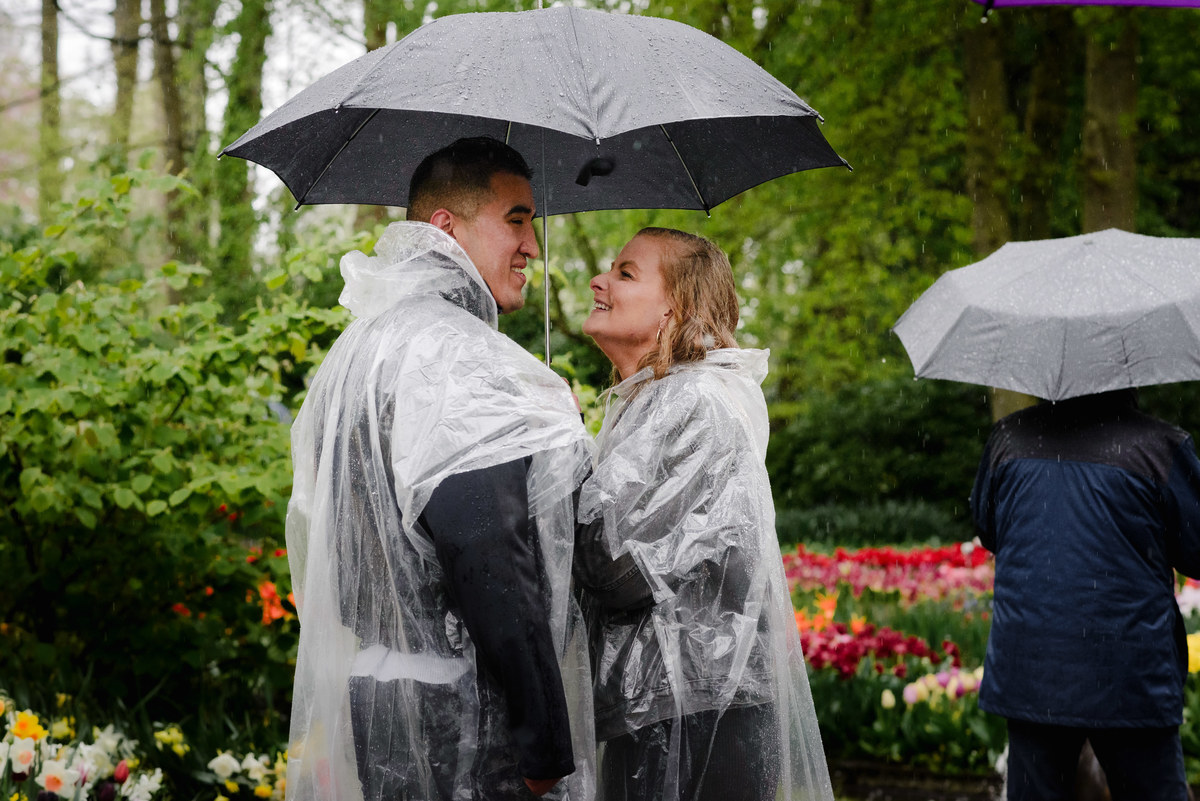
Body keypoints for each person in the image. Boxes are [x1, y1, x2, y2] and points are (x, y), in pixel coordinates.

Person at [284, 137, 595, 801]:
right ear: (446, 227)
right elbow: (490, 557)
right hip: (462, 716)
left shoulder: (364, 347)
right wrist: (542, 733)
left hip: (377, 693)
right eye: (516, 219)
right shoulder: (457, 358)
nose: (533, 246)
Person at [571, 227, 834, 801]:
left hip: (696, 719)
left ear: (677, 305)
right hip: (674, 706)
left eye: (625, 273)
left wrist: (561, 450)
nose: (599, 281)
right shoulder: (659, 401)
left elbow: (616, 565)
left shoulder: (692, 403)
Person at [970, 388, 1200, 800]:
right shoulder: (1159, 447)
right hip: (1129, 673)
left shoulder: (1009, 438)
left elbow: (989, 527)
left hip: (1032, 669)